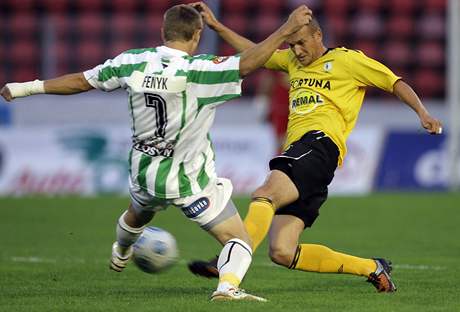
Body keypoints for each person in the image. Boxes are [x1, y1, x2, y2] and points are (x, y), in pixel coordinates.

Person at [0, 4, 313, 301]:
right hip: (189, 183)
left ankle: (121, 251)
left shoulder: (131, 62)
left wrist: (25, 87)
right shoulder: (199, 70)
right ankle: (226, 289)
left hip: (145, 173)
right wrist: (285, 31)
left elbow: (81, 81)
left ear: (164, 32)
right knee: (239, 240)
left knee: (138, 214)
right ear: (196, 35)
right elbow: (249, 62)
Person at [188, 2, 443, 292]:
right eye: (292, 45)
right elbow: (255, 52)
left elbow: (394, 82)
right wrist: (218, 26)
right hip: (311, 156)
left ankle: (229, 266)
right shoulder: (291, 61)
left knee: (265, 194)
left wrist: (423, 113)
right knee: (282, 252)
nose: (296, 51)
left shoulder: (348, 61)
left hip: (319, 143)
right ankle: (372, 268)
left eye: (301, 43)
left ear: (318, 36)